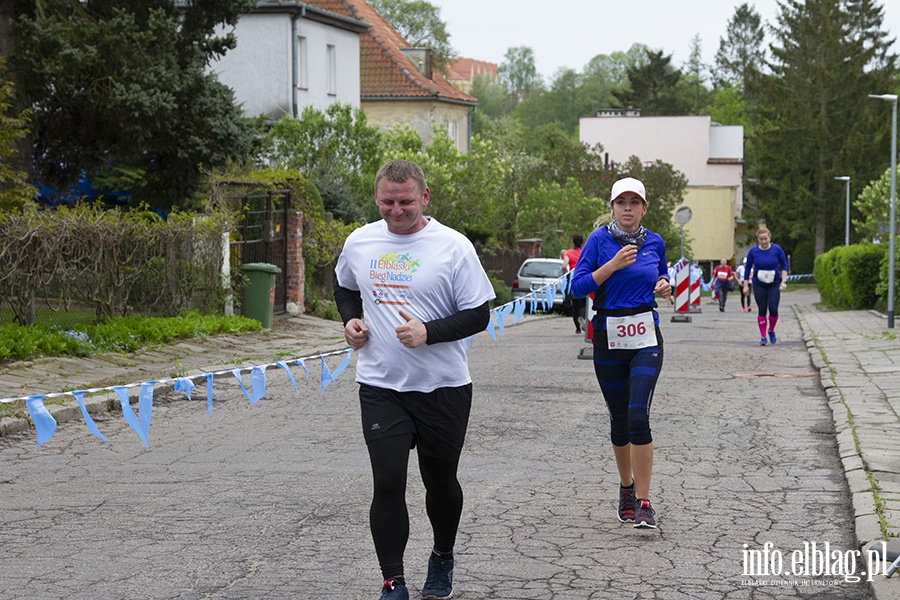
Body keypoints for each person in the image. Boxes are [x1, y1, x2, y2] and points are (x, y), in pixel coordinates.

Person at [334, 160, 496, 600]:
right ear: (376, 198)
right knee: (387, 481)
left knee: (439, 482)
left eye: (405, 201)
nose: (396, 210)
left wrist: (429, 332)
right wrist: (351, 321)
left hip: (443, 385)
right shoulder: (360, 241)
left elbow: (479, 314)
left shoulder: (453, 246)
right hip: (381, 384)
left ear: (424, 197)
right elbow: (345, 287)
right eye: (387, 201)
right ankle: (393, 581)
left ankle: (442, 555)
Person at [570, 177, 671, 529]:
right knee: (618, 421)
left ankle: (644, 501)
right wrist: (611, 265)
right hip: (609, 335)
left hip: (645, 334)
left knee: (638, 416)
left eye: (634, 202)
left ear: (644, 208)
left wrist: (665, 285)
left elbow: (662, 276)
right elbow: (577, 286)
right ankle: (626, 488)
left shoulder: (655, 242)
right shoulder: (599, 241)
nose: (628, 208)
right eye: (621, 202)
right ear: (612, 207)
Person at [742, 226, 789, 346]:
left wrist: (783, 281)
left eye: (765, 239)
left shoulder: (776, 249)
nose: (763, 242)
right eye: (761, 239)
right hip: (759, 283)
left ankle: (771, 330)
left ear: (769, 237)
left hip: (774, 284)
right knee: (762, 309)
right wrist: (746, 285)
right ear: (758, 239)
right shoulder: (753, 251)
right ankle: (763, 336)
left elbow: (784, 266)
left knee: (773, 309)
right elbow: (747, 269)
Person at [562, 234, 586, 333]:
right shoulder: (584, 252)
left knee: (575, 305)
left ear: (573, 242)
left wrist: (565, 276)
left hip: (573, 279)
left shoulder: (568, 253)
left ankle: (577, 328)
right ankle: (584, 319)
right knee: (583, 304)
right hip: (584, 279)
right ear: (582, 242)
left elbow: (564, 266)